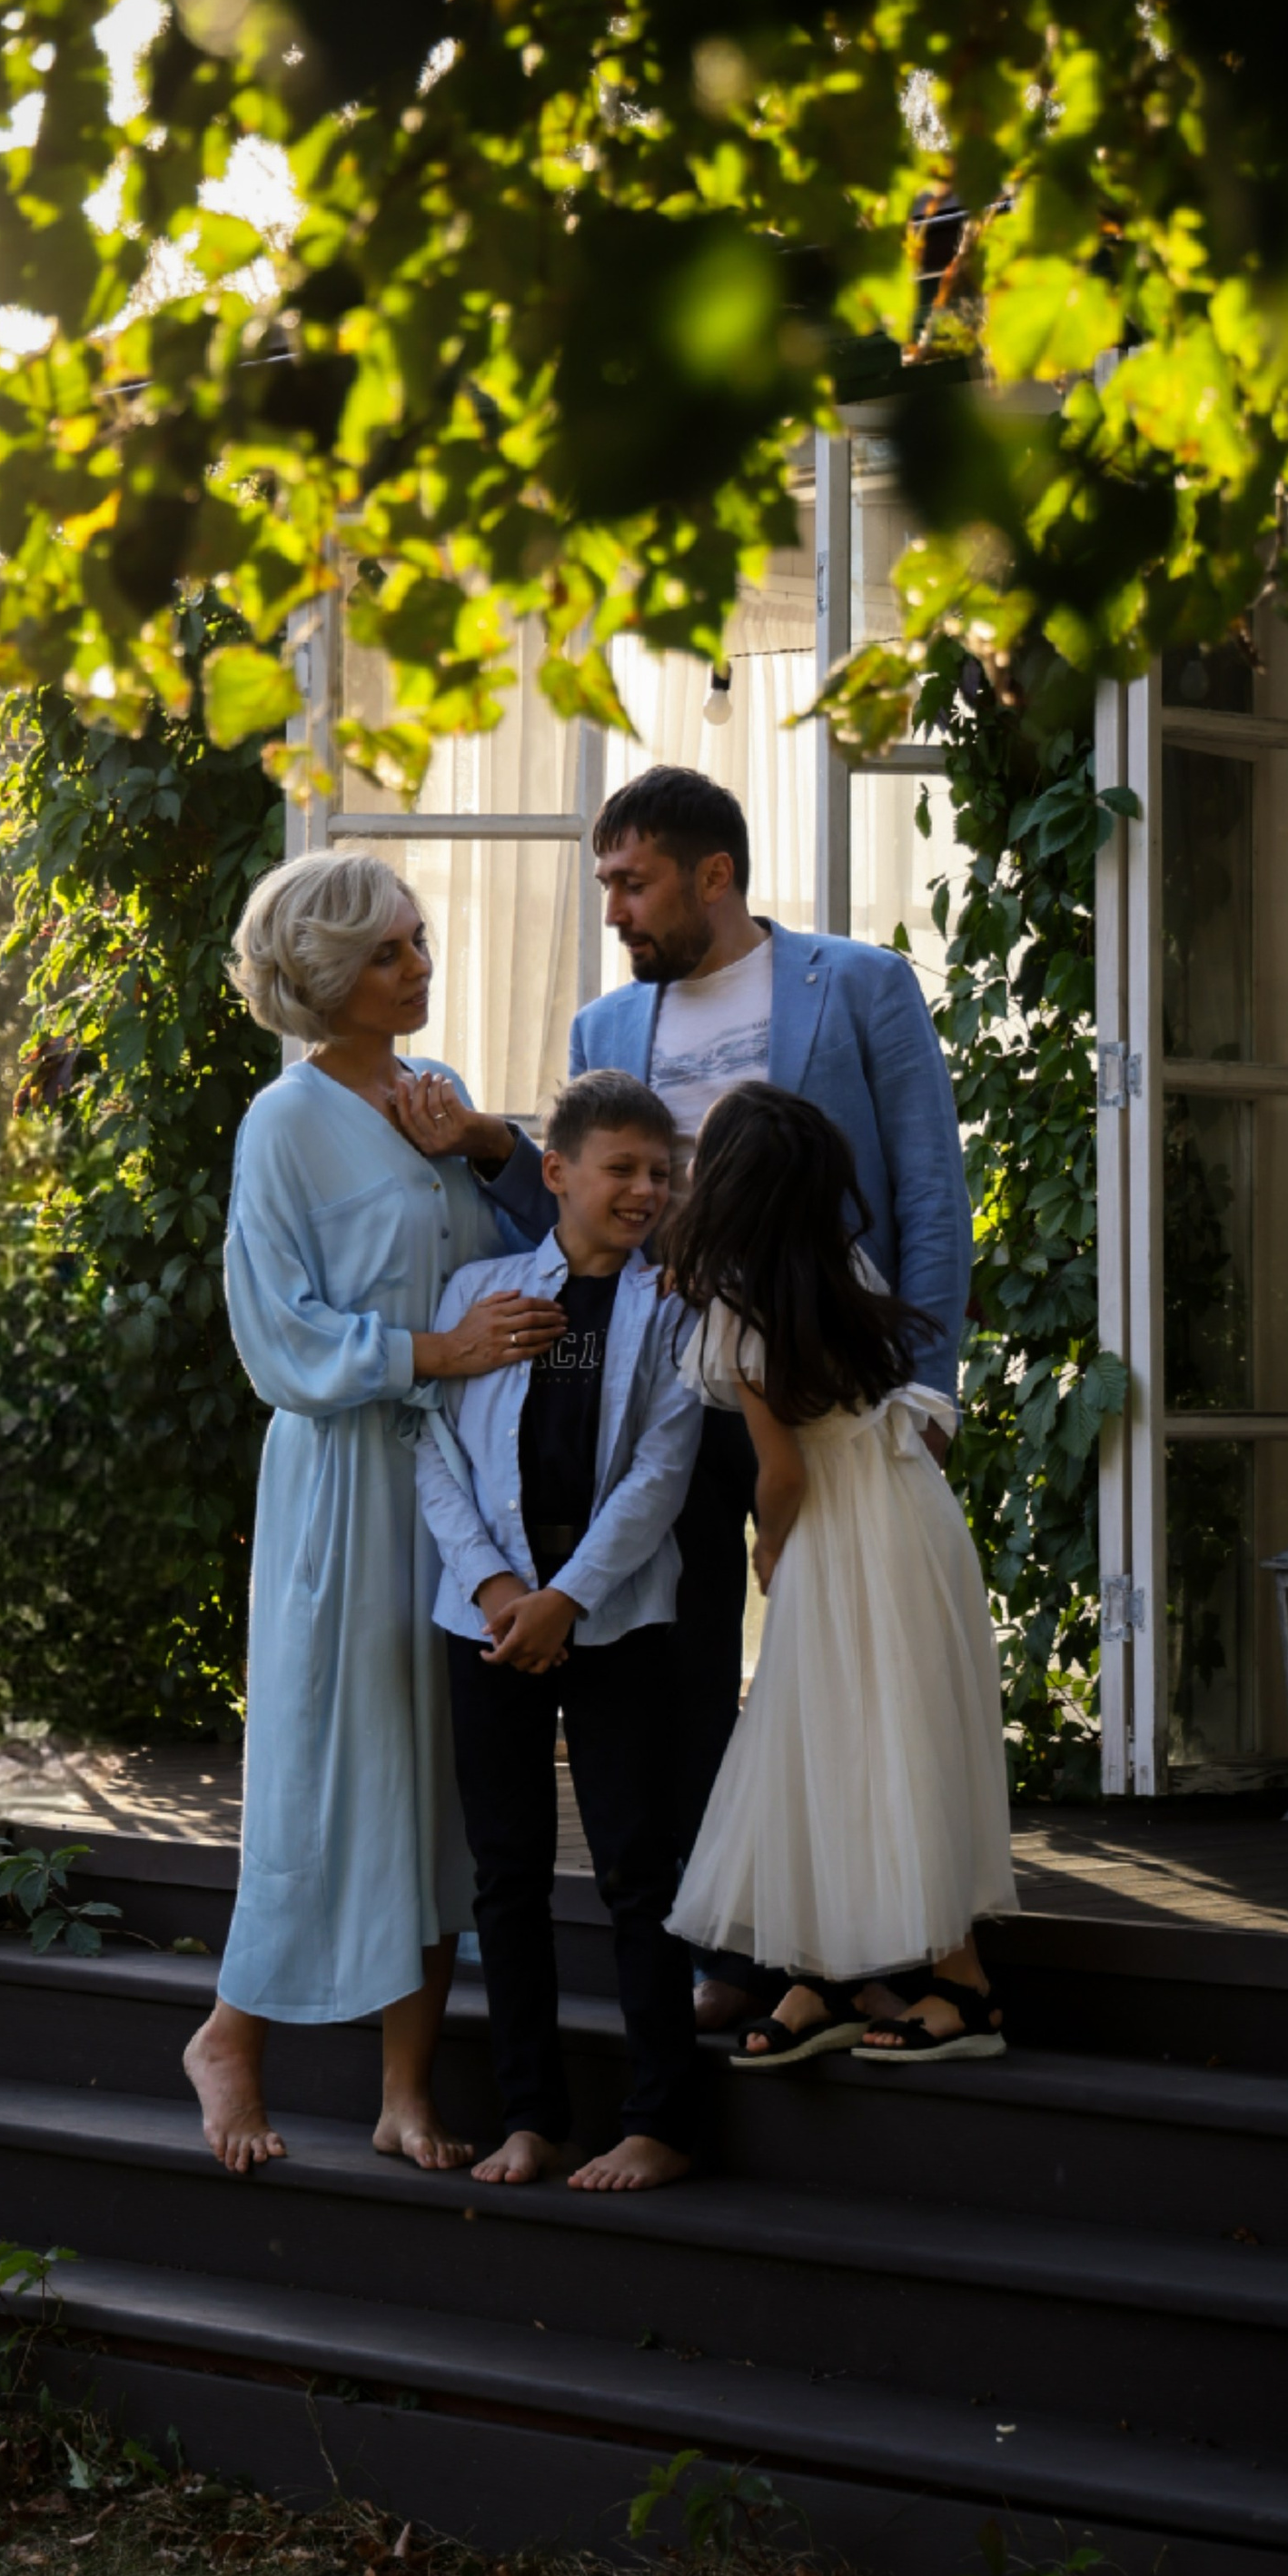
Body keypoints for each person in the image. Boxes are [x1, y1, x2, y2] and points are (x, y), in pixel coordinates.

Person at [390, 766, 972, 2034]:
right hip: (666, 1394)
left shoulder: (858, 988)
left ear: (715, 875)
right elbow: (575, 1202)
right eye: (604, 883)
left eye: (633, 881)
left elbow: (928, 1189)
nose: (615, 910)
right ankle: (747, 1952)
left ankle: (873, 1944)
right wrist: (491, 1145)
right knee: (683, 1684)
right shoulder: (607, 1031)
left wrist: (926, 1393)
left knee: (844, 1675)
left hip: (824, 1401)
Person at [182, 852, 560, 2180]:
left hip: (458, 1488)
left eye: (420, 943)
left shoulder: (428, 1098)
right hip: (346, 1486)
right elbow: (274, 1335)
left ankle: (406, 2089)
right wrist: (432, 1355)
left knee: (441, 1782)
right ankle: (232, 2035)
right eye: (396, 951)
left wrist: (482, 1143)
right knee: (331, 1766)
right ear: (334, 974)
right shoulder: (280, 1127)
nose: (422, 967)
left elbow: (523, 1247)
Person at [665, 1081, 1016, 2065]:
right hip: (902, 1508)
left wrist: (767, 1543)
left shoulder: (739, 1304)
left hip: (839, 1524)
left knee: (856, 1731)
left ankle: (963, 1985)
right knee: (859, 1729)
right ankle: (818, 1974)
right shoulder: (832, 1266)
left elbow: (778, 1473)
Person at [414, 1071, 704, 2192]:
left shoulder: (675, 1306)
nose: (644, 1191)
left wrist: (566, 1600)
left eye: (659, 1173)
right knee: (507, 1876)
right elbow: (429, 1444)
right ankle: (529, 2115)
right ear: (556, 1172)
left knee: (637, 1867)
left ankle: (659, 2121)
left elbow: (659, 1474)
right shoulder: (483, 1289)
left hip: (616, 1620)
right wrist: (493, 1587)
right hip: (483, 1621)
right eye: (621, 1170)